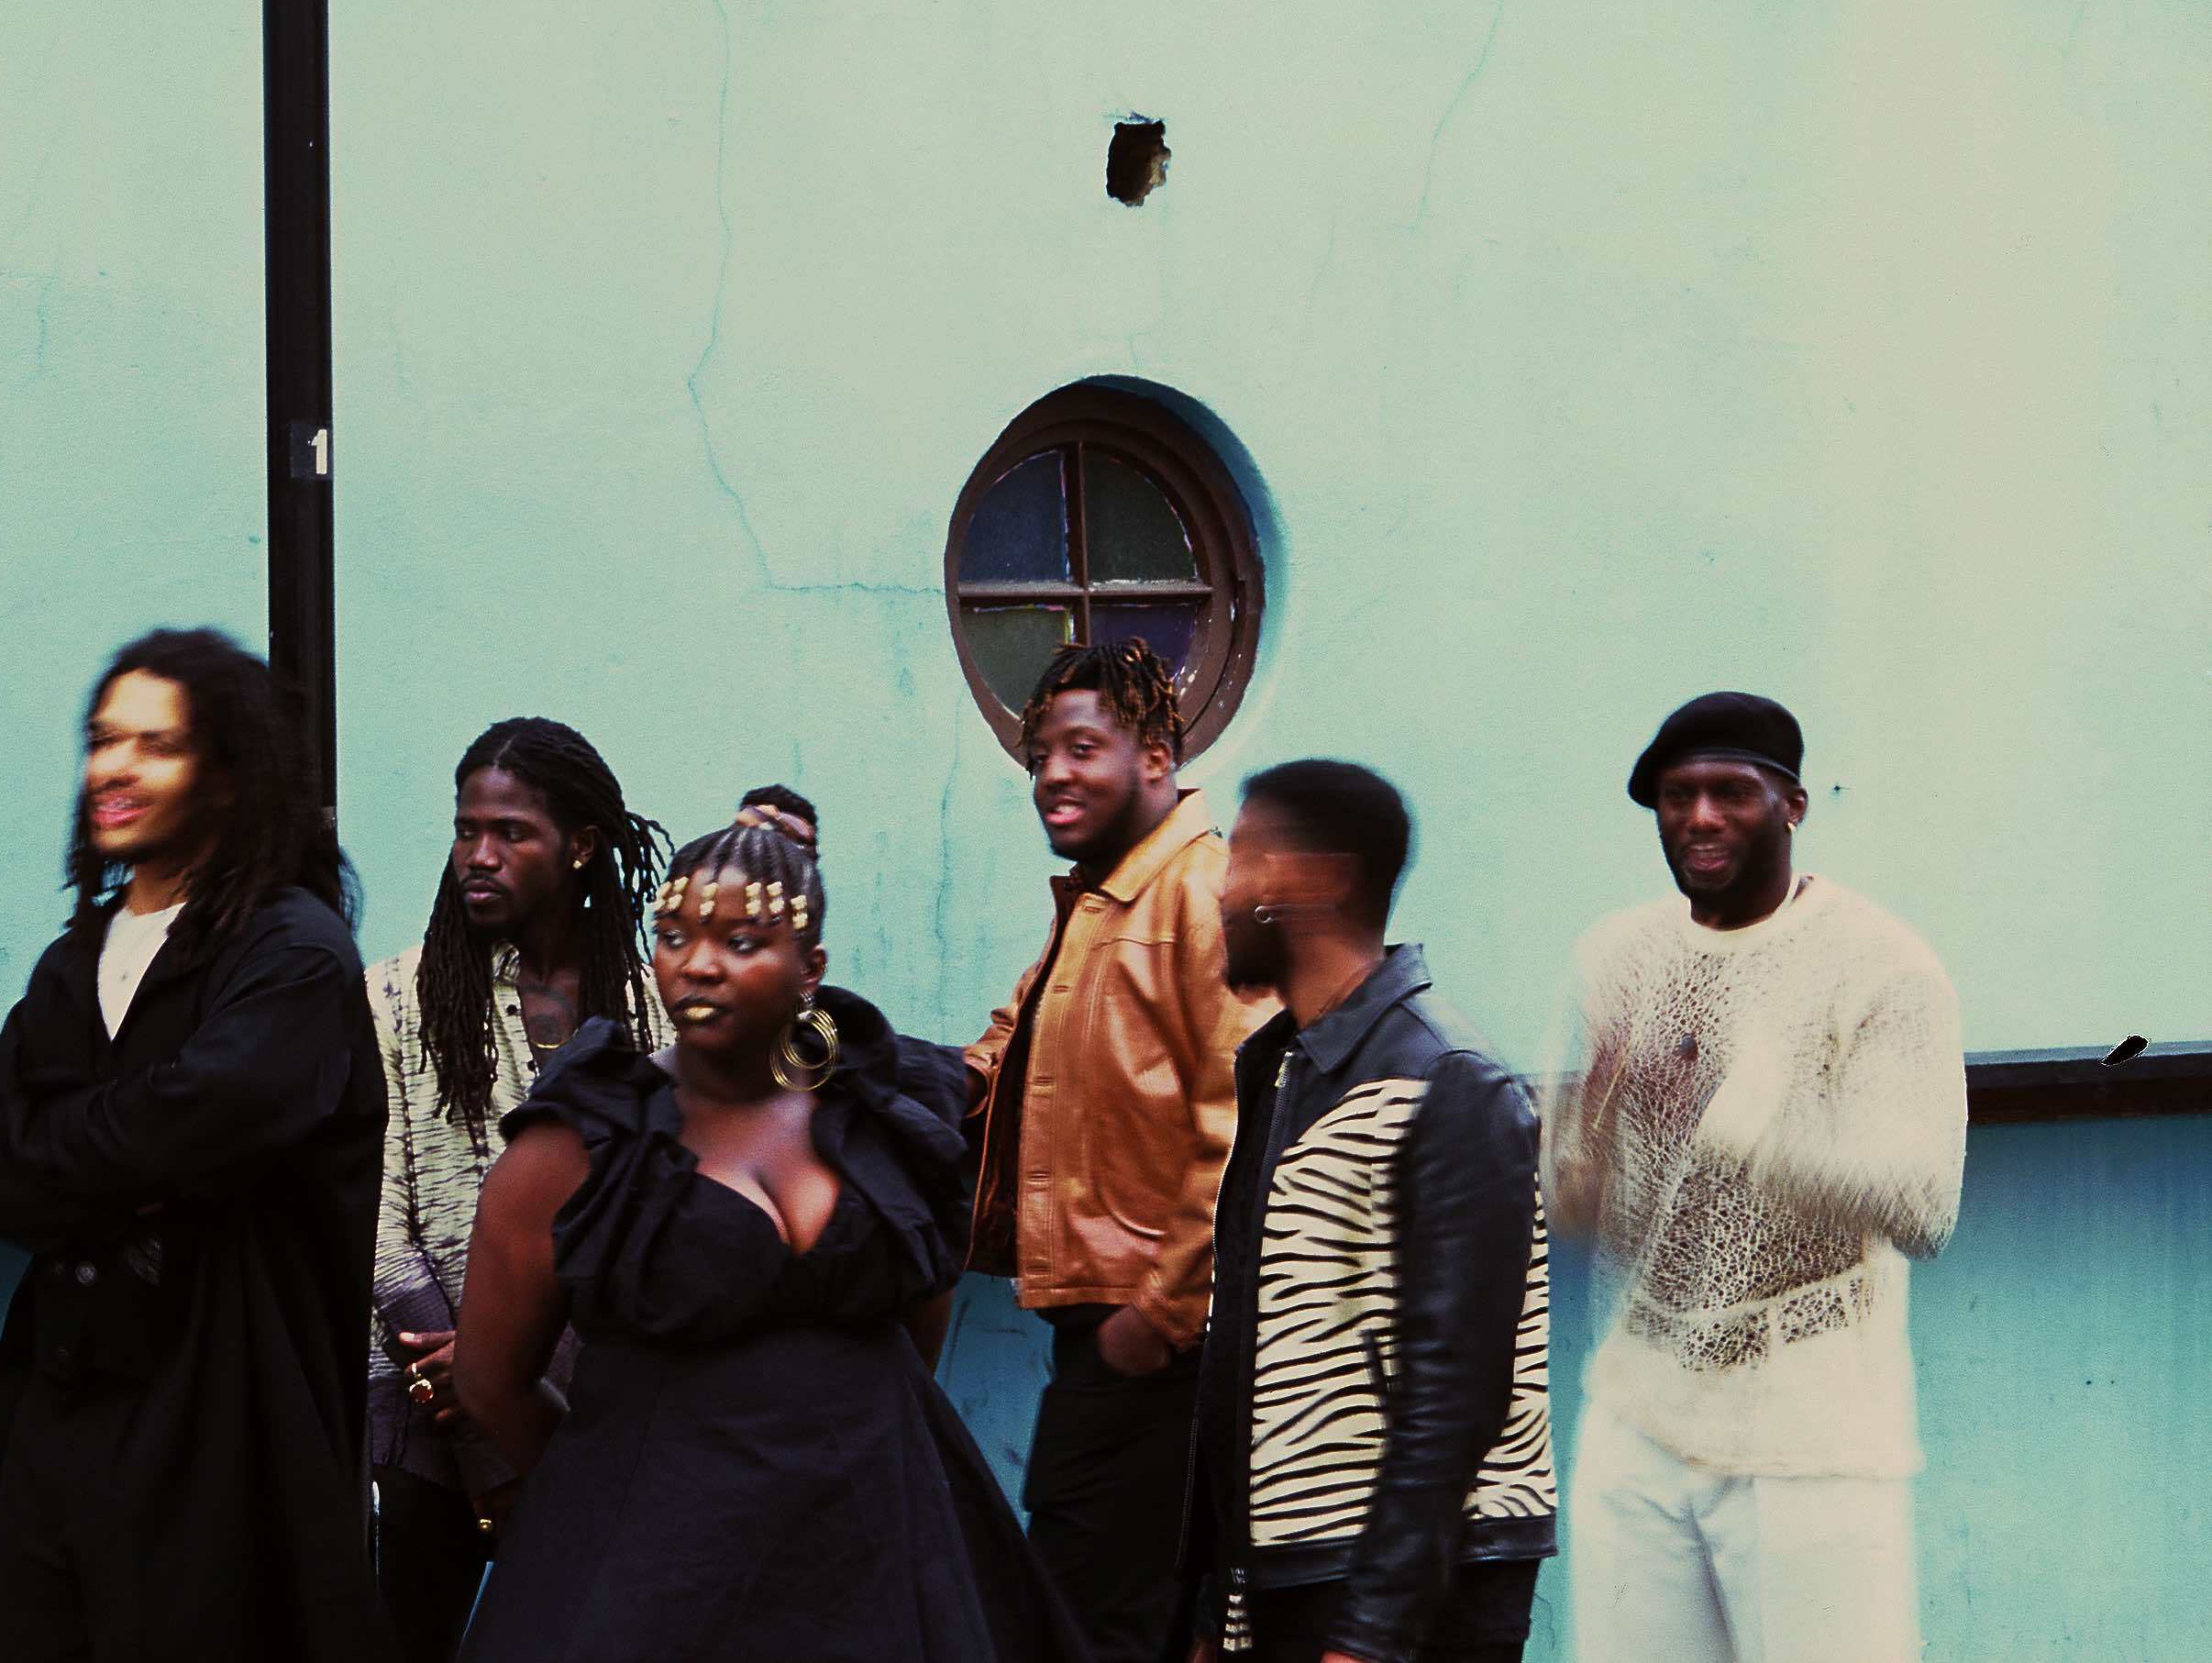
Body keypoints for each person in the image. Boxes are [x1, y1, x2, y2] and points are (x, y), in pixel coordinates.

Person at [452, 814, 1084, 1662]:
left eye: (741, 941)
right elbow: (491, 1381)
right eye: (675, 935)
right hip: (660, 1580)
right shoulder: (583, 1141)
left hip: (877, 1553)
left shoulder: (883, 1120)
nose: (699, 964)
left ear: (810, 968)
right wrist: (610, 1479)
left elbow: (915, 1326)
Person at [0, 629, 393, 1663]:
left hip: (228, 1415)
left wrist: (79, 1149)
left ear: (228, 776)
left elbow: (207, 1116)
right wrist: (132, 1161)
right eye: (105, 739)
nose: (116, 767)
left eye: (157, 745)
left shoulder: (294, 951)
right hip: (57, 1406)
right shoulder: (73, 963)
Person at [1548, 694, 1965, 1663]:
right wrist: (1588, 1138)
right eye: (1676, 795)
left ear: (1794, 805)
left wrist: (1730, 1123)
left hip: (1813, 1438)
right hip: (1639, 1419)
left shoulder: (1882, 964)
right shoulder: (1616, 956)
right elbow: (1582, 1211)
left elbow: (1925, 1205)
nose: (1699, 817)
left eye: (1731, 792)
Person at [1177, 761, 1557, 1663]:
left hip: (1413, 1595)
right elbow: (1247, 1360)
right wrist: (1215, 1606)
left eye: (1242, 856)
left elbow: (1458, 1391)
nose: (1221, 889)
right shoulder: (1287, 1072)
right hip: (1292, 1573)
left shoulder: (1449, 1080)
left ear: (1311, 879)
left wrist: (1371, 1635)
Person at [965, 638, 1270, 1662]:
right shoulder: (1103, 905)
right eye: (1040, 754)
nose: (1052, 774)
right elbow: (1004, 1054)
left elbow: (1244, 1117)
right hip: (1110, 1326)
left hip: (1159, 1342)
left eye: (1082, 748)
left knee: (1085, 1623)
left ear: (1156, 755)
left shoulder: (1201, 895)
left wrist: (1166, 1310)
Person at [364, 719, 671, 1661]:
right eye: (467, 830)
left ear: (580, 846)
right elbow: (376, 1220)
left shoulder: (652, 1010)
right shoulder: (393, 998)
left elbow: (659, 1216)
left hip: (593, 1409)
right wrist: (472, 1399)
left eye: (510, 832)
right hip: (419, 1408)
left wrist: (518, 1367)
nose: (479, 855)